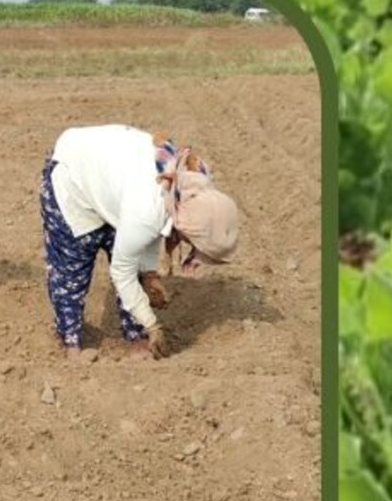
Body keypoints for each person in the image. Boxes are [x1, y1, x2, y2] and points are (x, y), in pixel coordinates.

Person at [39, 124, 242, 361]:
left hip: (113, 182)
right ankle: (71, 342)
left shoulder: (194, 186)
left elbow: (153, 227)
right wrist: (152, 324)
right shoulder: (147, 209)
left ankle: (136, 338)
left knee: (135, 265)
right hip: (72, 177)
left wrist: (148, 274)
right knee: (72, 271)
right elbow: (122, 270)